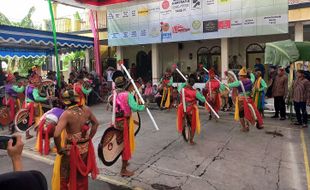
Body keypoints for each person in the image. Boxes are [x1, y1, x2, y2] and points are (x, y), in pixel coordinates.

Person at [52, 88, 99, 190]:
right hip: (85, 148)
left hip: (71, 150)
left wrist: (60, 149)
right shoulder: (86, 109)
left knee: (65, 176)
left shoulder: (66, 114)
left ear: (65, 101)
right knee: (81, 176)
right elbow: (96, 123)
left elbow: (56, 134)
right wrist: (89, 137)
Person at [111, 71, 145, 177]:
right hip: (124, 122)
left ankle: (124, 162)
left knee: (120, 142)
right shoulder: (127, 95)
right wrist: (143, 106)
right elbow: (134, 107)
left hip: (115, 121)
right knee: (125, 145)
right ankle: (123, 170)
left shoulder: (114, 94)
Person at [228, 67, 263, 132]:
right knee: (248, 112)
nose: (238, 77)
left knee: (241, 114)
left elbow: (229, 85)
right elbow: (253, 77)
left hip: (241, 100)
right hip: (249, 99)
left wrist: (223, 84)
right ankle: (248, 125)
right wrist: (250, 73)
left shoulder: (238, 83)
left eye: (239, 76)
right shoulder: (250, 80)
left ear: (242, 76)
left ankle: (244, 128)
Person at [177, 75, 206, 145]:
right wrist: (202, 96)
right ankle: (191, 140)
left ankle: (185, 133)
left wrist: (185, 83)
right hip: (191, 110)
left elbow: (179, 87)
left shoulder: (182, 90)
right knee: (193, 125)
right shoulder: (195, 92)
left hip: (183, 108)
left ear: (187, 83)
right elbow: (203, 99)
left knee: (184, 122)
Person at [24, 74, 49, 139]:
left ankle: (27, 134)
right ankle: (39, 134)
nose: (38, 83)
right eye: (37, 82)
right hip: (34, 105)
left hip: (27, 104)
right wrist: (46, 98)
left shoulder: (27, 87)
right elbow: (36, 98)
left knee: (28, 118)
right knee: (39, 119)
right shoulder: (34, 89)